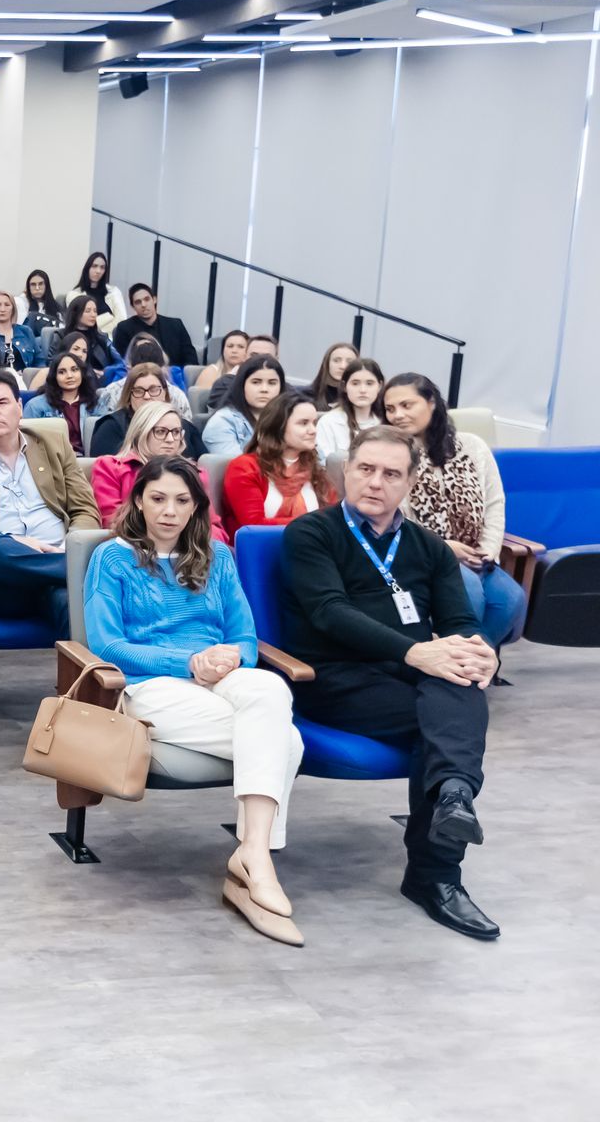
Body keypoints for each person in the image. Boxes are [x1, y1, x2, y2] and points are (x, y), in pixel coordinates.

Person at [283, 427, 501, 940]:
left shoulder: (429, 548)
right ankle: (437, 872)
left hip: (408, 672)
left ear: (410, 482)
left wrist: (480, 651)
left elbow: (459, 621)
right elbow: (330, 612)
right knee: (445, 719)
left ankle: (452, 799)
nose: (375, 482)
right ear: (346, 470)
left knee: (461, 684)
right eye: (365, 469)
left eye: (391, 473)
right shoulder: (312, 533)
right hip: (333, 677)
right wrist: (417, 651)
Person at [84, 457, 306, 945]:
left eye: (182, 500)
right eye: (158, 498)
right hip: (149, 685)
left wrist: (229, 658)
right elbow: (107, 645)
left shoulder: (218, 556)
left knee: (271, 688)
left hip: (219, 677)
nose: (169, 511)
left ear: (196, 507)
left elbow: (245, 637)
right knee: (286, 742)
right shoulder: (112, 558)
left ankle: (251, 855)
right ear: (138, 500)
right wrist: (188, 661)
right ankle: (255, 861)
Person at [0, 369, 101, 638]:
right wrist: (13, 542)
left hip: (55, 572)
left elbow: (85, 510)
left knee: (70, 602)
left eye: (1, 402)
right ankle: (76, 568)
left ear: (19, 407)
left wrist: (70, 544)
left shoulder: (54, 444)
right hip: (0, 581)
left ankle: (82, 673)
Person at [383, 374, 525, 647]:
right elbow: (393, 521)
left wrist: (488, 550)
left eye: (406, 405)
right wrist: (444, 548)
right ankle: (460, 664)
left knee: (510, 600)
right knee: (469, 592)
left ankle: (472, 661)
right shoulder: (391, 454)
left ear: (431, 403)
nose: (397, 415)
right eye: (390, 409)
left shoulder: (473, 446)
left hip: (475, 555)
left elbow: (494, 503)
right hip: (421, 556)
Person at [91, 402, 223, 536]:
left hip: (189, 544)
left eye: (176, 432)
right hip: (134, 543)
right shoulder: (110, 467)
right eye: (161, 432)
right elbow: (112, 521)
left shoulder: (195, 473)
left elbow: (213, 527)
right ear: (141, 432)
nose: (170, 439)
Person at [221, 390, 336, 538]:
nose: (313, 430)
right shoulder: (244, 467)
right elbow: (253, 526)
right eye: (303, 423)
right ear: (278, 426)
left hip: (314, 547)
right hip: (262, 548)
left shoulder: (314, 468)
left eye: (314, 423)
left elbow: (333, 519)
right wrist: (314, 524)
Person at [87, 362, 194, 458]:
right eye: (138, 391)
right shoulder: (111, 426)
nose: (147, 396)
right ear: (129, 396)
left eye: (153, 390)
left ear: (165, 393)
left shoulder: (182, 426)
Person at [202, 355, 286, 456]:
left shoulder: (289, 418)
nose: (264, 389)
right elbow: (237, 463)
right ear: (242, 386)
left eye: (272, 383)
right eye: (256, 382)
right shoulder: (222, 422)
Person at [111, 282, 200, 369]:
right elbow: (120, 363)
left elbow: (191, 359)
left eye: (147, 299)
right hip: (140, 375)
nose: (143, 305)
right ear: (133, 306)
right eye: (138, 302)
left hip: (175, 374)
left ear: (154, 300)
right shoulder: (124, 328)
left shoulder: (176, 325)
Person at [23, 351, 96, 455]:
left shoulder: (96, 402)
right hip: (52, 459)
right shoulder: (35, 406)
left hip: (89, 458)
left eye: (74, 370)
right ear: (54, 376)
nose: (69, 376)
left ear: (82, 373)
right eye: (62, 372)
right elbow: (27, 443)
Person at [316, 356, 383, 464]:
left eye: (369, 383)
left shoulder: (384, 422)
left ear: (379, 386)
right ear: (344, 386)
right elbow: (324, 464)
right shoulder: (329, 422)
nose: (363, 390)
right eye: (355, 383)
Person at [203, 334, 278, 414]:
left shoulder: (282, 385)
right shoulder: (224, 384)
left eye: (266, 357)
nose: (259, 361)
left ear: (276, 360)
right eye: (254, 355)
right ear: (244, 357)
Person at [54, 294, 120, 372]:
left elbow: (118, 362)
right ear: (76, 313)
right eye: (88, 311)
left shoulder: (101, 338)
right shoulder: (61, 336)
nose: (93, 315)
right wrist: (91, 372)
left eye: (95, 311)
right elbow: (53, 364)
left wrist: (106, 372)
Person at [194, 329, 251, 404]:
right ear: (223, 350)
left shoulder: (253, 374)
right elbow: (203, 403)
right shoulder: (211, 372)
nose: (234, 351)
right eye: (230, 346)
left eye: (240, 347)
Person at [73, 252, 119, 332]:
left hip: (112, 336)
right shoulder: (75, 294)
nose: (98, 271)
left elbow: (121, 319)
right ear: (87, 268)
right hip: (85, 336)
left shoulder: (113, 291)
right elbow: (80, 323)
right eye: (94, 266)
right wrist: (109, 317)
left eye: (102, 267)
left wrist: (102, 330)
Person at [307, 342, 359, 412]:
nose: (343, 366)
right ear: (327, 364)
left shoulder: (362, 397)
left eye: (349, 362)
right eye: (336, 360)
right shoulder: (307, 396)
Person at [23, 269, 65, 333]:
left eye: (40, 284)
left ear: (46, 286)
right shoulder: (23, 303)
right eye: (33, 284)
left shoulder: (56, 308)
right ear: (28, 287)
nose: (37, 288)